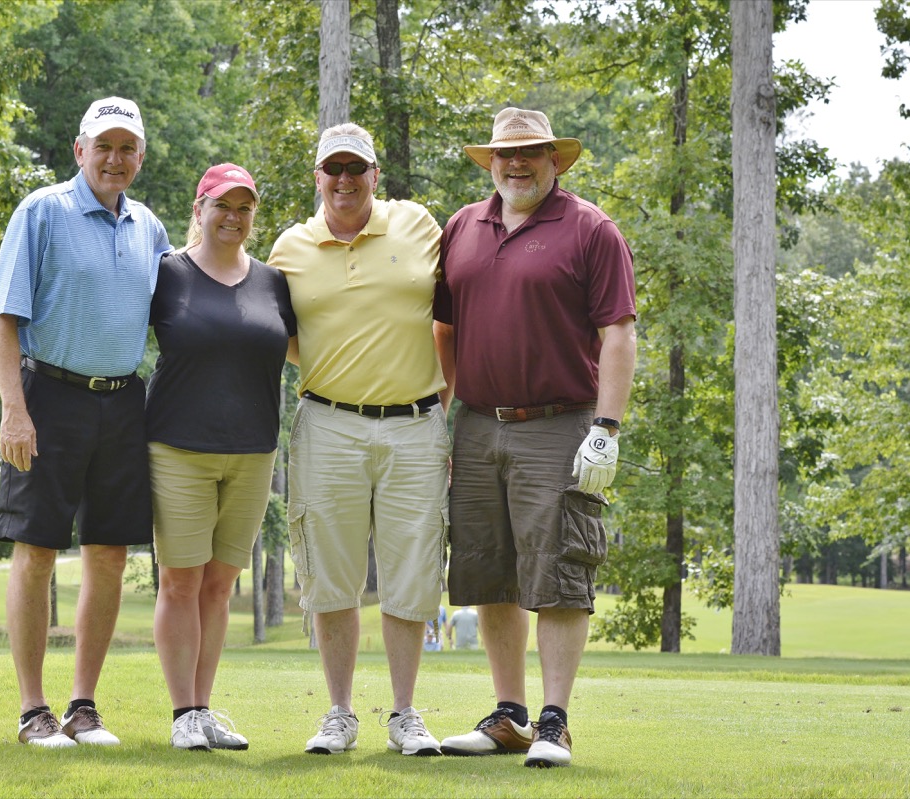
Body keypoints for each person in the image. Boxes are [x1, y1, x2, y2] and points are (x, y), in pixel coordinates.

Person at [433, 107, 636, 768]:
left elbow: (618, 332)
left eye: (531, 152)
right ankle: (510, 715)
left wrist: (607, 426)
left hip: (559, 423)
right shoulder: (463, 226)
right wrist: (440, 416)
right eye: (505, 154)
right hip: (476, 424)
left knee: (558, 571)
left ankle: (554, 722)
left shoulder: (590, 228)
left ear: (555, 160)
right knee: (490, 570)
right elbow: (444, 330)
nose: (516, 164)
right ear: (491, 161)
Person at [0, 96, 170, 748]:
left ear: (140, 157)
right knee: (36, 550)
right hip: (48, 396)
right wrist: (14, 408)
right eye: (104, 146)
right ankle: (33, 710)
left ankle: (82, 706)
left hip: (122, 403)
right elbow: (2, 317)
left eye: (127, 148)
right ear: (80, 150)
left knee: (110, 553)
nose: (115, 159)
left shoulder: (149, 227)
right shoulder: (43, 211)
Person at [268, 124, 451, 757]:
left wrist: (442, 404)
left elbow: (451, 317)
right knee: (330, 575)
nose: (344, 179)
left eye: (356, 168)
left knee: (412, 570)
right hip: (327, 424)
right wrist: (337, 367)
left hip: (416, 424)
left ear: (375, 174)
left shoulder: (418, 225)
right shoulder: (290, 248)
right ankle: (340, 714)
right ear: (317, 177)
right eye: (333, 169)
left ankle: (404, 715)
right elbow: (282, 336)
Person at [147, 164, 296, 751]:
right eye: (222, 206)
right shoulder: (167, 273)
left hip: (254, 452)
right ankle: (182, 713)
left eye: (244, 208)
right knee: (180, 581)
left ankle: (203, 709)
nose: (233, 217)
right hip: (177, 448)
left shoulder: (273, 282)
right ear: (199, 209)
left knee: (219, 585)